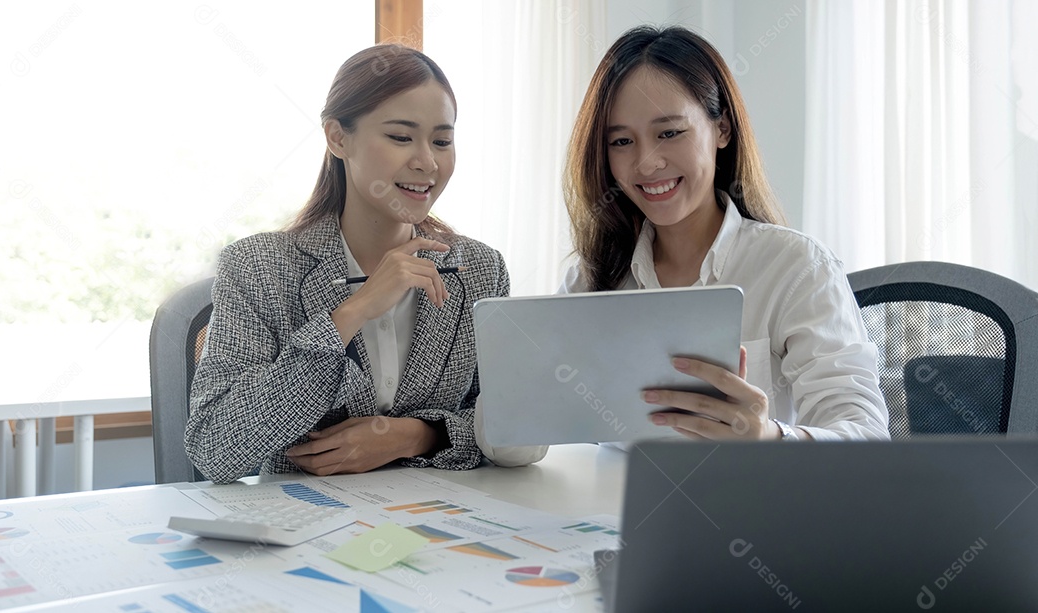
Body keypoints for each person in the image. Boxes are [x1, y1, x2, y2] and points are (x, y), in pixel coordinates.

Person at [185, 45, 536, 484]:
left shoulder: (480, 269)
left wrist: (417, 436)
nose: (427, 162)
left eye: (442, 141)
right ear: (338, 138)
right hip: (308, 518)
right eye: (401, 137)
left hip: (440, 517)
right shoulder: (258, 267)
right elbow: (214, 449)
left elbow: (510, 427)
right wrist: (351, 313)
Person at [558, 25, 889, 442]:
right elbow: (530, 420)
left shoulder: (796, 268)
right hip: (614, 487)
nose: (646, 163)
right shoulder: (591, 281)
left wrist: (770, 438)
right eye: (622, 141)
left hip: (750, 486)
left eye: (669, 133)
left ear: (722, 130)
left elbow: (866, 437)